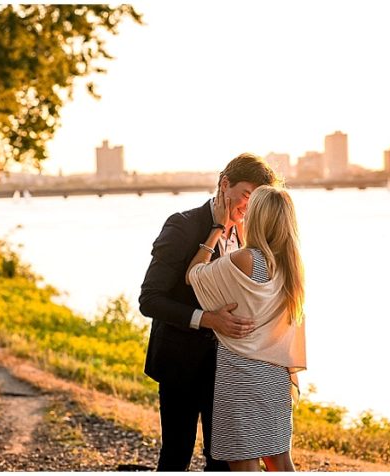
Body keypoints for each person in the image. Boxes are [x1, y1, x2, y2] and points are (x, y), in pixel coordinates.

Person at [139, 153, 278, 471]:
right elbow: (150, 300)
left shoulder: (248, 233)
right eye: (246, 195)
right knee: (177, 454)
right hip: (181, 363)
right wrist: (208, 319)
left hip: (230, 368)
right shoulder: (183, 225)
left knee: (224, 459)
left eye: (256, 199)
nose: (249, 205)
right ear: (224, 184)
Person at [185, 185, 306, 471]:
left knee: (242, 460)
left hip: (242, 377)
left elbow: (194, 275)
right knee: (279, 459)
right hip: (276, 376)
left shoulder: (245, 259)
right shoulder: (291, 266)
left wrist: (217, 228)